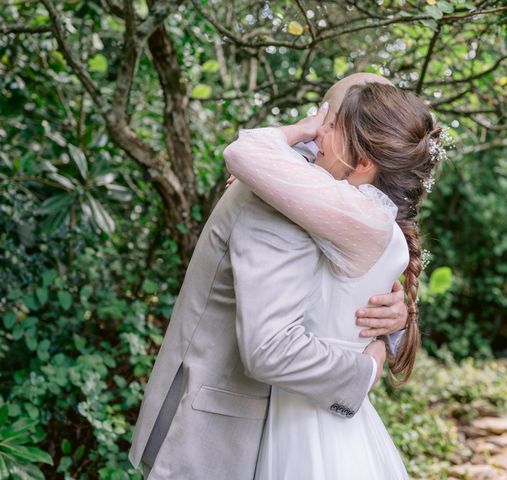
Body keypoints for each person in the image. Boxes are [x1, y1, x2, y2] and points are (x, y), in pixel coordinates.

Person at [128, 74, 410, 478]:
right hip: (216, 434)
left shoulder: (345, 208)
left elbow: (343, 294)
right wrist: (365, 370)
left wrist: (393, 323)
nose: (318, 135)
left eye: (329, 125)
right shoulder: (281, 192)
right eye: (322, 123)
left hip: (285, 428)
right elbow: (271, 347)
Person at [224, 77, 443, 479]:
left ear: (363, 162)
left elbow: (245, 151)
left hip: (308, 423)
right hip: (314, 417)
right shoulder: (371, 215)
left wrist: (274, 157)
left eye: (331, 121)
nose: (317, 129)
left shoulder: (356, 214)